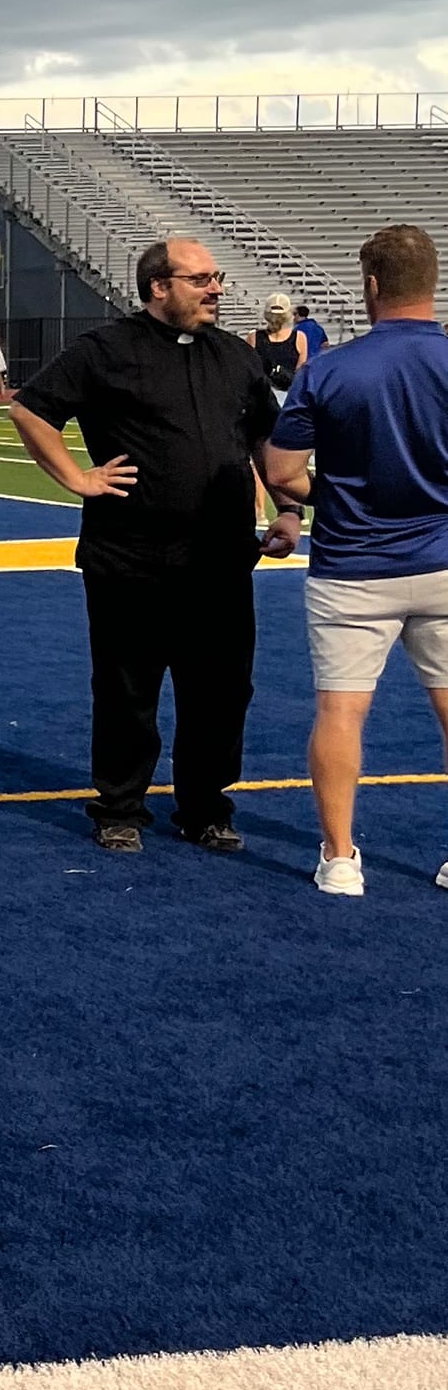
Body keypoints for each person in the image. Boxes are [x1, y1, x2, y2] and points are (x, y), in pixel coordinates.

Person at [10, 239, 295, 854]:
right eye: (201, 280)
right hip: (128, 560)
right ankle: (119, 807)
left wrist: (289, 508)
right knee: (126, 690)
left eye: (216, 279)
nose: (216, 289)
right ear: (158, 286)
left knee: (221, 692)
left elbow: (264, 443)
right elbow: (30, 410)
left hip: (220, 562)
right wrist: (77, 478)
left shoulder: (234, 357)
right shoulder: (105, 350)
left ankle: (205, 808)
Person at [259, 225, 448, 895]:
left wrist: (333, 491)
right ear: (431, 281)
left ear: (371, 285)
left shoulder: (330, 367)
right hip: (444, 558)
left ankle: (340, 857)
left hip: (351, 563)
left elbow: (282, 469)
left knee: (341, 711)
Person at [248, 291, 311, 398]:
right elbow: (300, 375)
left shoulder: (254, 337)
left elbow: (249, 372)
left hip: (261, 398)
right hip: (288, 397)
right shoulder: (299, 338)